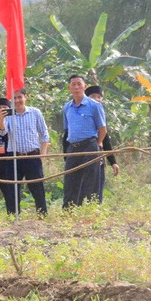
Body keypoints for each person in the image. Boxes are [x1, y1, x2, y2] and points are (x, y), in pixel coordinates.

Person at [0, 87, 49, 214]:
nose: (17, 100)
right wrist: (1, 119)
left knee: (37, 187)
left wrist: (42, 154)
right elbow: (2, 132)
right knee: (12, 188)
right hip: (13, 157)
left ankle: (42, 215)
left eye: (20, 97)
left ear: (26, 97)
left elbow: (44, 134)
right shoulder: (8, 115)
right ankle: (13, 215)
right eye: (14, 98)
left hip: (32, 156)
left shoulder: (35, 112)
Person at [62, 75, 106, 208]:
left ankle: (92, 210)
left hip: (90, 145)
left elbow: (102, 129)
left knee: (91, 180)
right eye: (73, 84)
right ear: (69, 88)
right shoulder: (67, 107)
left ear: (84, 87)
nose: (76, 87)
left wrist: (97, 144)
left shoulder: (94, 106)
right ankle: (70, 210)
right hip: (73, 148)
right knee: (70, 180)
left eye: (79, 84)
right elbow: (67, 129)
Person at [85, 86, 119, 202]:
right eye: (93, 97)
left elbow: (106, 140)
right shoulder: (82, 113)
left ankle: (95, 207)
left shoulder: (100, 115)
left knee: (97, 186)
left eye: (99, 97)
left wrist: (113, 162)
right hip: (82, 154)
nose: (96, 99)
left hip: (98, 154)